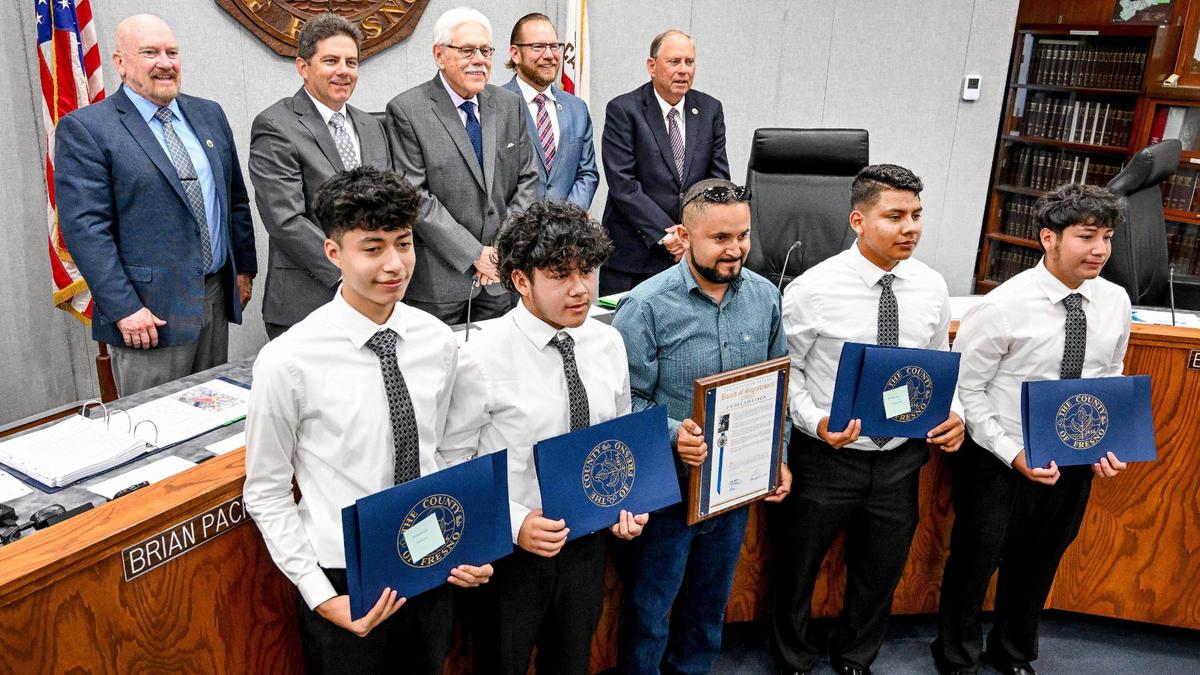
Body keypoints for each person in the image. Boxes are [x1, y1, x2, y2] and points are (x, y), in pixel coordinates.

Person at [243, 166, 494, 675]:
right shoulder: (289, 360)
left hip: (430, 563)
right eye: (373, 248)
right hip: (343, 577)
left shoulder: (436, 340)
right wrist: (318, 594)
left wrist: (462, 542)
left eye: (404, 243)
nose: (394, 264)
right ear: (334, 253)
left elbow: (447, 451)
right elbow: (266, 491)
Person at [771, 164, 965, 675]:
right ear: (858, 220)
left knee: (880, 570)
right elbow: (781, 372)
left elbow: (938, 363)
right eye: (895, 216)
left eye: (917, 216)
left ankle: (857, 656)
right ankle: (793, 657)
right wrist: (815, 422)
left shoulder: (930, 286)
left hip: (899, 456)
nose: (911, 229)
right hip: (826, 454)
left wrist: (953, 413)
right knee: (798, 566)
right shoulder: (813, 289)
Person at [441, 200, 648, 675]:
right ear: (520, 281)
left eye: (588, 271)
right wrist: (516, 524)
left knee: (572, 661)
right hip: (510, 551)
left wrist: (627, 502)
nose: (580, 290)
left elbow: (616, 437)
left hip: (587, 541)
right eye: (560, 275)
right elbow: (452, 463)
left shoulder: (607, 341)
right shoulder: (479, 357)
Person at [931, 183, 1131, 675]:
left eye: (1106, 236)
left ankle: (1014, 650)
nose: (1100, 250)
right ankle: (955, 653)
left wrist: (1107, 443)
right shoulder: (1003, 305)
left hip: (1073, 453)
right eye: (1087, 237)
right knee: (977, 560)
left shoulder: (1116, 300)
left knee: (1042, 558)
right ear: (1049, 237)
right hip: (999, 457)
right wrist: (1013, 452)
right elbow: (967, 391)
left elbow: (1109, 376)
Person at [612, 178, 791, 674]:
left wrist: (780, 455)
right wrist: (674, 433)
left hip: (734, 484)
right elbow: (623, 401)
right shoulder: (645, 306)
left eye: (743, 236)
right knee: (650, 610)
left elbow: (779, 386)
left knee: (708, 608)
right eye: (720, 239)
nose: (735, 250)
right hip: (666, 487)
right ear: (685, 237)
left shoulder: (763, 298)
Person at [54, 14, 256, 396]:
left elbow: (234, 200)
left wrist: (242, 271)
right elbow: (86, 230)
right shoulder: (88, 128)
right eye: (150, 53)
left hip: (213, 298)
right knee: (156, 431)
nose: (165, 63)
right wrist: (124, 309)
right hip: (148, 315)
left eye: (172, 52)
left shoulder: (208, 113)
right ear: (120, 63)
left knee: (214, 417)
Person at [385, 6, 539, 324]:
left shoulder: (510, 106)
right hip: (439, 284)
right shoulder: (407, 110)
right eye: (467, 50)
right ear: (439, 55)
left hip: (500, 278)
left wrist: (498, 252)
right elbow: (414, 196)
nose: (479, 59)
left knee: (496, 370)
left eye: (485, 50)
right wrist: (473, 254)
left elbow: (527, 179)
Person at [250, 13, 391, 340]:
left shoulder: (371, 126)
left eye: (351, 62)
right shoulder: (276, 126)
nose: (344, 70)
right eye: (331, 60)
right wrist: (353, 271)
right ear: (303, 67)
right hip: (308, 301)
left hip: (373, 300)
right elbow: (285, 219)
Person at [599, 30, 730, 296]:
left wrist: (693, 238)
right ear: (651, 66)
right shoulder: (624, 110)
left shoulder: (710, 109)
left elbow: (717, 182)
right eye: (674, 62)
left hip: (691, 259)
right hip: (634, 258)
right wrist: (671, 235)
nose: (683, 70)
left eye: (689, 62)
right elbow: (623, 184)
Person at [501, 13, 598, 209]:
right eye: (538, 47)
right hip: (513, 233)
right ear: (515, 53)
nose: (549, 55)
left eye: (554, 46)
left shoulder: (577, 109)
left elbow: (587, 174)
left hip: (567, 233)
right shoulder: (495, 105)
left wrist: (565, 224)